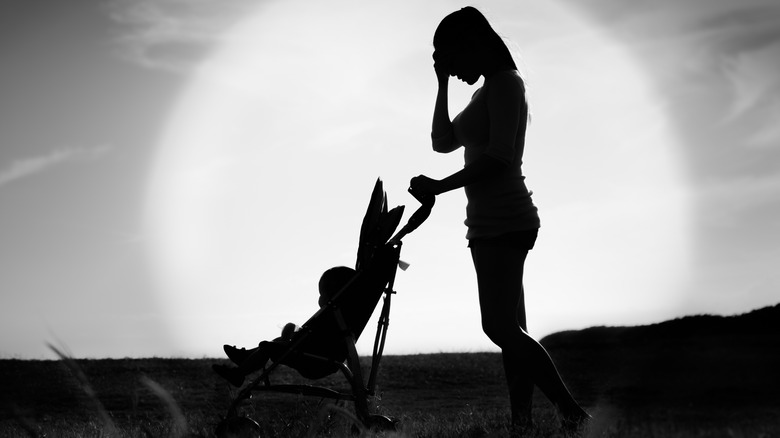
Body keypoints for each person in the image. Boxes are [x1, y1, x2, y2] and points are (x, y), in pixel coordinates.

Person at [409, 6, 590, 431]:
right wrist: (439, 83)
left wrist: (437, 187)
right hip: (490, 222)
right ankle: (522, 425)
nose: (451, 71)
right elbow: (441, 141)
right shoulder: (483, 93)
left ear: (471, 44)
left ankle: (572, 413)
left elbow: (498, 158)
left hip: (506, 218)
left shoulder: (507, 84)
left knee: (498, 327)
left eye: (450, 60)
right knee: (514, 332)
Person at [213, 266, 356, 387]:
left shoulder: (336, 315)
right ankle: (247, 356)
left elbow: (320, 339)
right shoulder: (341, 316)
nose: (319, 299)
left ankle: (238, 374)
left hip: (316, 361)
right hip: (316, 354)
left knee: (269, 347)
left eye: (322, 293)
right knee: (281, 336)